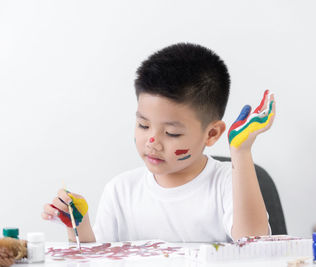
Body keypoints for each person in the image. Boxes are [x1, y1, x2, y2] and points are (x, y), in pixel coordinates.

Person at [42, 43, 276, 243]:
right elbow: (96, 258)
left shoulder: (227, 183)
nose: (152, 142)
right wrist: (77, 225)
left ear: (212, 134)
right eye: (143, 126)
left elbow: (254, 245)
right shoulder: (121, 191)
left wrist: (241, 151)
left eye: (172, 133)